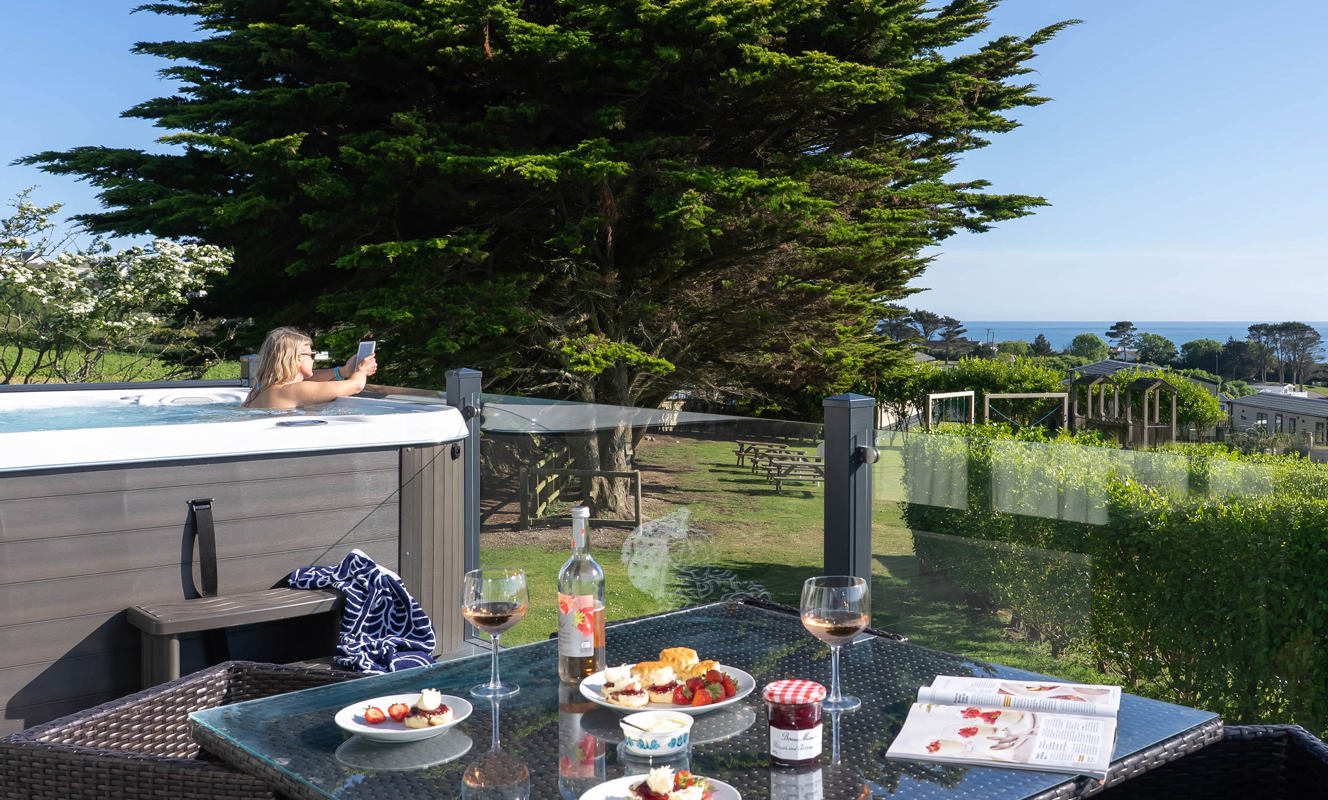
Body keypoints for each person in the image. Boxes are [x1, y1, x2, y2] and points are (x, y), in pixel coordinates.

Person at [243, 326, 378, 409]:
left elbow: (309, 379)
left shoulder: (259, 389)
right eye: (311, 355)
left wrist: (343, 371)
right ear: (296, 358)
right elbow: (356, 385)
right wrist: (362, 370)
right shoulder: (292, 391)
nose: (313, 359)